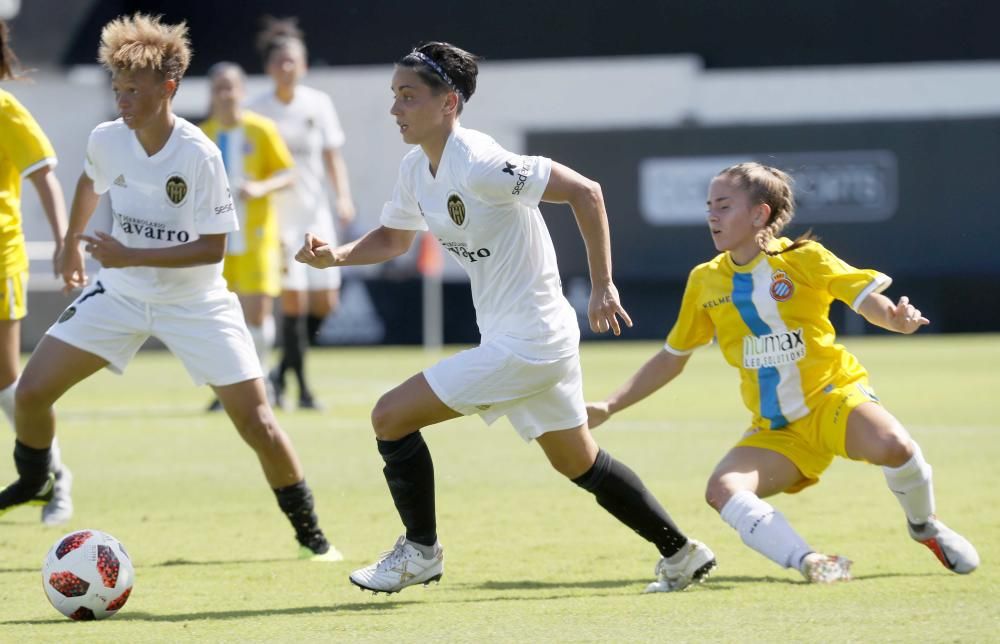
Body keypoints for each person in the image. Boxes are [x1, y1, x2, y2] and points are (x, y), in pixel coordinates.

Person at [295, 41, 716, 594]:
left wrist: (603, 286)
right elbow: (396, 237)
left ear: (449, 102)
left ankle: (420, 551)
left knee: (390, 416)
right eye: (393, 96)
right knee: (577, 461)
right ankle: (681, 552)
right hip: (524, 338)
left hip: (531, 341)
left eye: (408, 97)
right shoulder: (415, 167)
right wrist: (339, 255)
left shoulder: (481, 161)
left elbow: (586, 193)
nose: (395, 109)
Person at [0, 13, 341, 562]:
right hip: (123, 294)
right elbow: (89, 180)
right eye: (116, 88)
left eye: (132, 89)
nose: (122, 100)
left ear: (169, 88)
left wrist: (128, 251)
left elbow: (213, 248)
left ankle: (311, 534)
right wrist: (69, 243)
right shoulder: (107, 139)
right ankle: (39, 477)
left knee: (258, 423)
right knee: (33, 392)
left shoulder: (199, 153)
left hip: (197, 303)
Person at [587, 162, 979, 582]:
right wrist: (610, 404)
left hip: (833, 398)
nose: (712, 217)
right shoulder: (705, 281)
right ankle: (810, 562)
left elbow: (864, 299)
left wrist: (896, 319)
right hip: (776, 430)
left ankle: (924, 525)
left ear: (760, 214)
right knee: (721, 491)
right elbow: (672, 356)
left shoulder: (804, 259)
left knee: (895, 446)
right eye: (709, 207)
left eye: (723, 205)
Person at [247, 17, 356, 410]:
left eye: (293, 61)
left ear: (304, 65)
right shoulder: (256, 109)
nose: (287, 68)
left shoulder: (318, 104)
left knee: (326, 301)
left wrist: (343, 197)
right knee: (292, 302)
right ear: (269, 67)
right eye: (280, 61)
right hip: (277, 217)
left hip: (315, 212)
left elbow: (332, 156)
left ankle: (278, 374)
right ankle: (303, 390)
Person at [0, 18, 73, 525]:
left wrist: (66, 241)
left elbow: (45, 176)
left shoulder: (6, 110)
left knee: (8, 380)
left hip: (1, 259)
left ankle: (54, 474)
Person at [200, 62, 294, 412]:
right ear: (211, 94)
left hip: (255, 236)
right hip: (216, 242)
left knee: (256, 314)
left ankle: (263, 382)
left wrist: (260, 187)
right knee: (224, 318)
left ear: (241, 91)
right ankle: (231, 388)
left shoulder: (261, 129)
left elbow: (287, 172)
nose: (225, 95)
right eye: (218, 88)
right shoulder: (200, 134)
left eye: (230, 87)